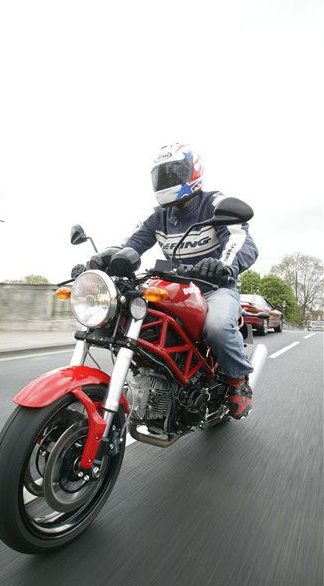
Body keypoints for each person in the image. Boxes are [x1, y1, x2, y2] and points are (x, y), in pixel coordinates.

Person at [71, 143, 259, 419]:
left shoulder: (215, 204)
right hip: (176, 288)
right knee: (127, 315)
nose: (167, 181)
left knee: (217, 326)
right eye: (162, 176)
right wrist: (103, 261)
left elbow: (240, 239)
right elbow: (132, 244)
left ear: (193, 173)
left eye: (174, 174)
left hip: (214, 288)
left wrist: (224, 267)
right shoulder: (159, 216)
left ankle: (236, 380)